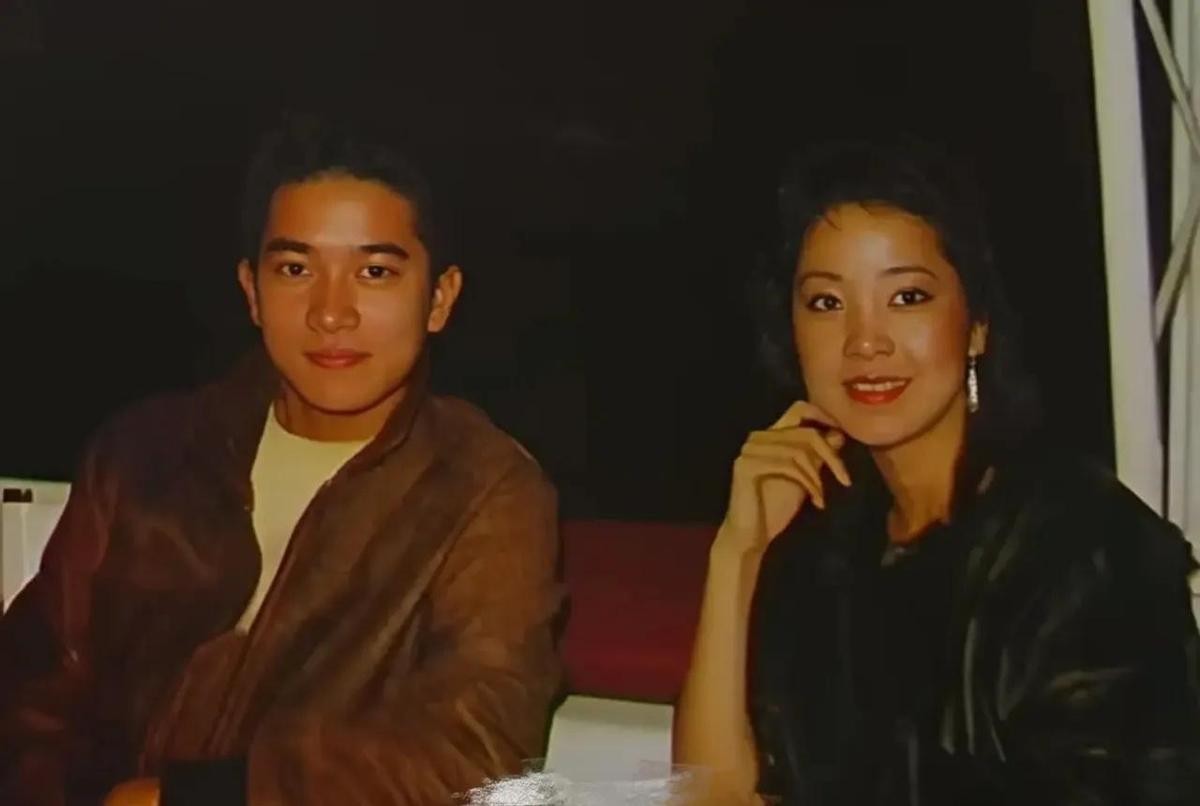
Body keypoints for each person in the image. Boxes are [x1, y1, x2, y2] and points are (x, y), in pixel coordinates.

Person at [0, 116, 563, 806]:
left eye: (375, 272)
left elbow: (474, 751)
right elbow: (32, 692)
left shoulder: (484, 490)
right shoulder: (146, 454)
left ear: (439, 299)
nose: (331, 313)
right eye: (296, 269)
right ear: (251, 292)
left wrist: (197, 798)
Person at [673, 140, 1200, 805]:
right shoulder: (821, 545)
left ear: (976, 325)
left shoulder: (1084, 551)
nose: (865, 341)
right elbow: (708, 798)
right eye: (827, 303)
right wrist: (736, 555)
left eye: (907, 296)